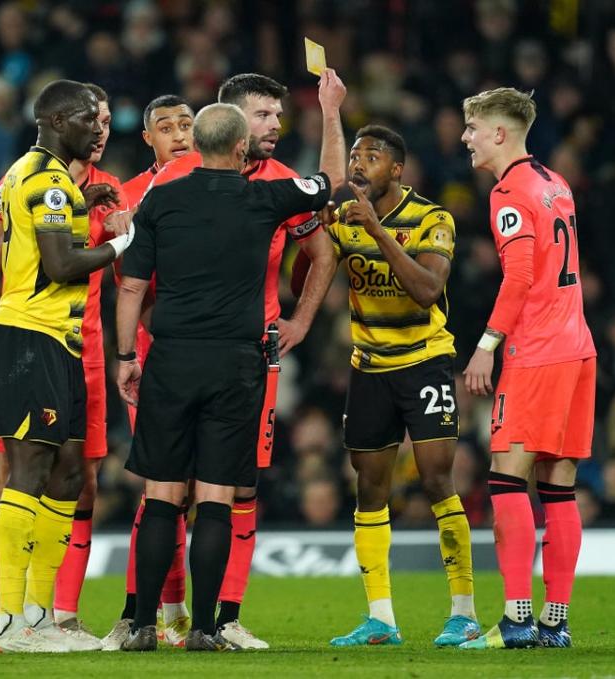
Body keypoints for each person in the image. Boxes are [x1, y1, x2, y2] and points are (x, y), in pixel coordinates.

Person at [104, 71, 346, 651]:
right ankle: (208, 628)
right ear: (238, 144)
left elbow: (131, 287)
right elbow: (333, 183)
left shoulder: (161, 196)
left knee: (162, 493)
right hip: (239, 360)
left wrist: (123, 356)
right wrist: (332, 112)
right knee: (217, 497)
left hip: (169, 357)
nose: (275, 128)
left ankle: (142, 625)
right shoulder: (266, 197)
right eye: (262, 118)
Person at [294, 125, 478, 647]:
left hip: (425, 362)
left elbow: (426, 290)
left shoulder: (431, 218)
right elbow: (306, 278)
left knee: (437, 479)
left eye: (371, 157)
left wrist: (375, 231)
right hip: (369, 365)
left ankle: (462, 612)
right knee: (368, 488)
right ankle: (381, 620)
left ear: (396, 169)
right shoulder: (341, 219)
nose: (358, 164)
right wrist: (310, 239)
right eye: (354, 155)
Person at [0, 79, 132, 654]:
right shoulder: (45, 179)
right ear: (57, 121)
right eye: (87, 120)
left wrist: (80, 203)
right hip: (31, 335)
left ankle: (41, 615)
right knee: (29, 470)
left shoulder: (44, 178)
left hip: (63, 340)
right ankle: (9, 621)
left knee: (70, 472)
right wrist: (125, 243)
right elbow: (64, 263)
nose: (97, 129)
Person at [459, 87, 595, 650]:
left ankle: (517, 619)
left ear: (498, 133)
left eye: (472, 128)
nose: (465, 138)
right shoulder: (556, 182)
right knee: (558, 488)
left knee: (506, 480)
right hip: (578, 348)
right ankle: (554, 624)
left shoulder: (509, 191)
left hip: (536, 351)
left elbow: (517, 278)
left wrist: (487, 344)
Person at [102, 93, 196, 651]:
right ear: (149, 138)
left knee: (200, 489)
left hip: (211, 349)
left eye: (187, 124)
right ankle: (147, 611)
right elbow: (128, 288)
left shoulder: (218, 184)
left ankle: (180, 612)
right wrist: (121, 239)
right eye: (167, 127)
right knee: (163, 488)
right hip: (150, 357)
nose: (179, 134)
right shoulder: (129, 196)